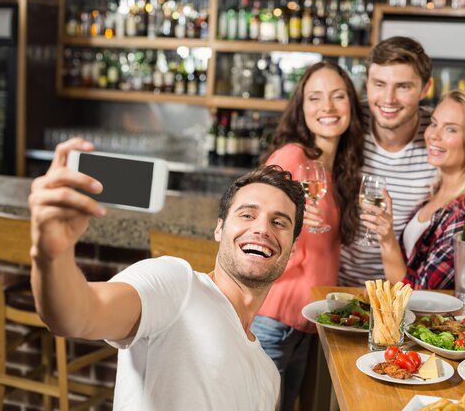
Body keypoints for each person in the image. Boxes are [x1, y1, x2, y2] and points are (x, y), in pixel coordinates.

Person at [28, 137, 306, 411]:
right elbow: (76, 314)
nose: (262, 229)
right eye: (247, 215)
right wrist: (51, 256)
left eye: (278, 222)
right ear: (219, 229)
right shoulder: (176, 285)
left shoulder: (269, 377)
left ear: (292, 249)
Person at [251, 61, 365, 411]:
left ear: (351, 105)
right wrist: (291, 221)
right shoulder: (292, 157)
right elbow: (251, 224)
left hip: (304, 326)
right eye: (315, 98)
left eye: (337, 97)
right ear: (302, 109)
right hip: (273, 320)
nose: (327, 107)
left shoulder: (342, 166)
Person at [362, 90, 465, 289]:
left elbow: (421, 295)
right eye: (434, 123)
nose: (433, 135)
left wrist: (387, 239)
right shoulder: (438, 192)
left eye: (451, 129)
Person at [339, 36, 438, 287]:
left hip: (396, 293)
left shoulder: (438, 137)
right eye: (379, 84)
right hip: (330, 286)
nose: (388, 98)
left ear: (425, 88)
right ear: (367, 83)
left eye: (403, 86)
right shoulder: (346, 122)